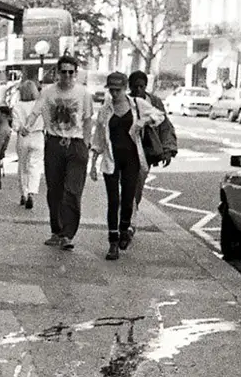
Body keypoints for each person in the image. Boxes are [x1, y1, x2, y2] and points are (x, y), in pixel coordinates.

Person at [91, 71, 166, 261]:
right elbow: (98, 138)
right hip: (111, 159)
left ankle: (124, 229)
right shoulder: (105, 110)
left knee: (127, 199)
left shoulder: (137, 104)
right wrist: (93, 163)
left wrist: (143, 122)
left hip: (132, 159)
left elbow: (159, 116)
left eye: (118, 90)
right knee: (113, 201)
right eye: (111, 90)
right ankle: (113, 242)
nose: (114, 93)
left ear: (125, 88)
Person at [37, 54, 94, 250]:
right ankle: (56, 231)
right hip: (54, 142)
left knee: (72, 190)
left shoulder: (84, 93)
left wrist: (85, 143)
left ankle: (68, 235)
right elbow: (37, 111)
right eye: (64, 72)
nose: (67, 76)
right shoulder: (48, 92)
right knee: (54, 190)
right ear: (57, 73)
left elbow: (88, 120)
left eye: (71, 72)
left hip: (76, 144)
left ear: (76, 73)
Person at [127, 71, 177, 214]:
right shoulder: (125, 102)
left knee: (138, 183)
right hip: (126, 149)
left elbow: (165, 127)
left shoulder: (154, 102)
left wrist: (168, 150)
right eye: (135, 87)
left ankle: (131, 214)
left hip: (146, 150)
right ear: (130, 86)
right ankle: (126, 216)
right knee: (126, 184)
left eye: (141, 87)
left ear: (146, 86)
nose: (138, 90)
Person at [10, 76, 44, 210]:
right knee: (35, 166)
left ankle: (23, 193)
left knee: (22, 166)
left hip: (23, 137)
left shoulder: (17, 106)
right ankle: (32, 192)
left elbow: (15, 125)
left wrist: (21, 128)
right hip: (38, 136)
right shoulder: (40, 105)